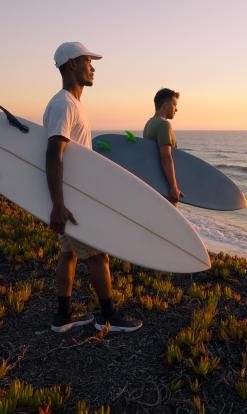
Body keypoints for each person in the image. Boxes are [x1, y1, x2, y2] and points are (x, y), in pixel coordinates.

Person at [44, 42, 142, 333]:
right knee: (99, 255)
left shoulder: (73, 104)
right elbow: (53, 153)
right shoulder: (63, 104)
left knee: (68, 254)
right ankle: (108, 315)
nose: (93, 67)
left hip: (72, 196)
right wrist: (58, 205)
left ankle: (64, 316)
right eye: (88, 61)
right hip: (73, 200)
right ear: (72, 64)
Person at [143, 88, 183, 205]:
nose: (177, 109)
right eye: (174, 105)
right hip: (165, 189)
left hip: (154, 185)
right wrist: (174, 187)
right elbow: (166, 157)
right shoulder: (164, 125)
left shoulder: (149, 123)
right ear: (165, 105)